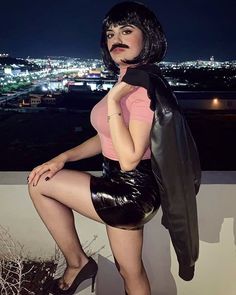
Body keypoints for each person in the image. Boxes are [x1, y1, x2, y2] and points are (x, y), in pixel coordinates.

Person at [28, 1, 167, 295]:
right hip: (127, 186)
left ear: (148, 36)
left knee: (40, 184)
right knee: (130, 270)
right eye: (110, 34)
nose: (116, 39)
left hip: (130, 190)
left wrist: (115, 102)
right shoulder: (130, 77)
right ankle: (79, 264)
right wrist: (62, 158)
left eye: (126, 31)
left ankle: (77, 262)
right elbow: (106, 138)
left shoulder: (140, 87)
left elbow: (129, 159)